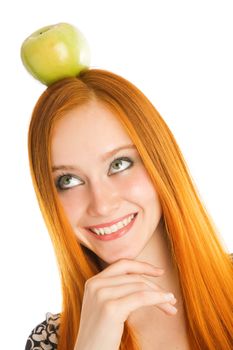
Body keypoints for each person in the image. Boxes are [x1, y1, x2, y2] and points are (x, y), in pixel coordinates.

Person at [25, 69, 233, 350]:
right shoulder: (51, 342)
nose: (101, 204)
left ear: (159, 161)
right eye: (69, 180)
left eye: (119, 164)